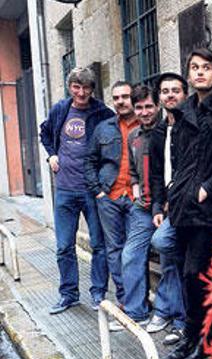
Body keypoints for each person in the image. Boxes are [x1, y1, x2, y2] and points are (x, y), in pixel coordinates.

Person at [162, 48, 212, 359]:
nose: (200, 72)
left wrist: (208, 188)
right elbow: (178, 158)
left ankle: (206, 338)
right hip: (183, 205)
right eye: (194, 68)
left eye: (205, 67)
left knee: (197, 273)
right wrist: (175, 191)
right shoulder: (185, 109)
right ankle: (191, 335)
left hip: (207, 207)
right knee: (187, 275)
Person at [40, 67, 113, 314]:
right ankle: (69, 295)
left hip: (92, 191)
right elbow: (45, 132)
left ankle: (98, 294)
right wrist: (51, 155)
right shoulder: (60, 109)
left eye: (86, 88)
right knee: (63, 246)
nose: (81, 92)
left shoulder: (102, 113)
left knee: (99, 245)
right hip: (65, 190)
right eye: (76, 87)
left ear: (92, 89)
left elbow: (113, 143)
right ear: (70, 87)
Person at [83, 81, 150, 326]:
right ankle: (125, 299)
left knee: (135, 252)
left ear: (134, 98)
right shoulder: (103, 128)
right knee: (114, 250)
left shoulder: (145, 125)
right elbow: (89, 161)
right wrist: (98, 192)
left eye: (125, 96)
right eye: (116, 97)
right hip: (109, 197)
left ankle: (138, 302)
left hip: (136, 199)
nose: (120, 101)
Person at [146, 72, 189, 341]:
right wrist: (157, 208)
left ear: (184, 94)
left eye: (175, 90)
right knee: (170, 256)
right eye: (165, 91)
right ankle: (175, 316)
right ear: (159, 98)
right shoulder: (159, 132)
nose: (170, 94)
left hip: (189, 207)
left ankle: (174, 314)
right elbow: (156, 175)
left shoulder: (190, 127)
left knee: (170, 251)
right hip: (170, 208)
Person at [117, 84, 161, 332]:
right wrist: (134, 187)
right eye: (139, 107)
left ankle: (166, 312)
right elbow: (134, 170)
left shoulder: (166, 133)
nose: (144, 112)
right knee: (130, 255)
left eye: (148, 106)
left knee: (168, 255)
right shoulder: (134, 136)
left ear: (157, 107)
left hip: (164, 208)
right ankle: (136, 313)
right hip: (141, 207)